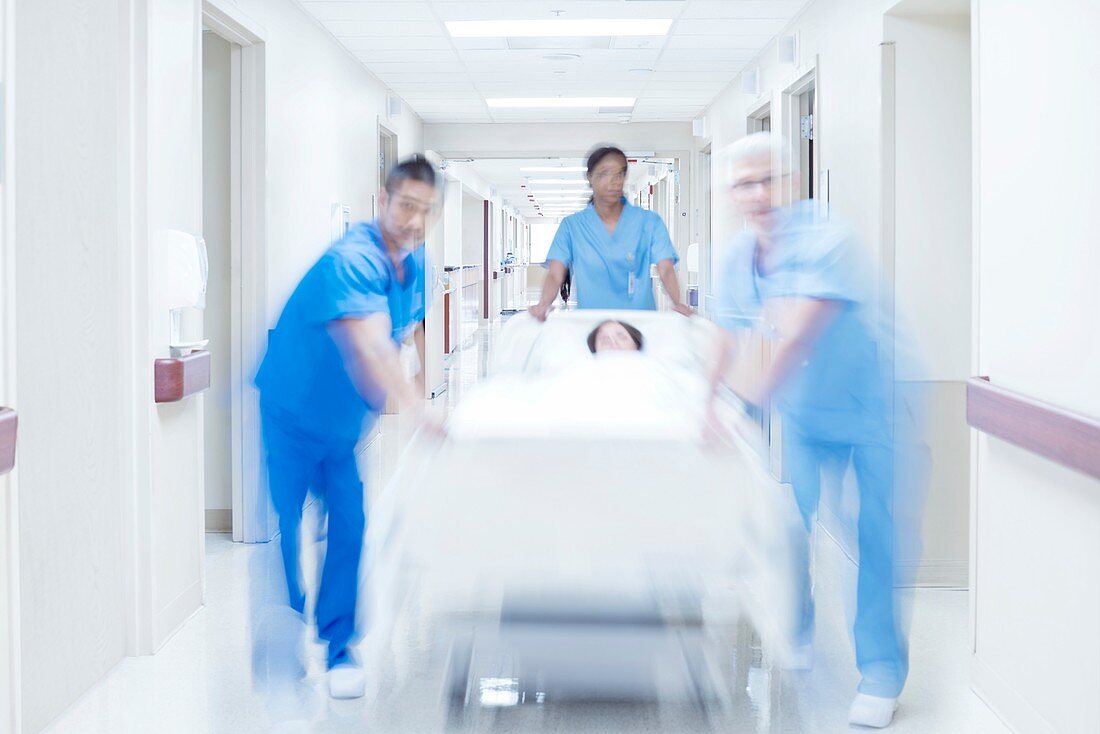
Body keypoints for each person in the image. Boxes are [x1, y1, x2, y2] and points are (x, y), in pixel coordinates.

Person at [707, 132, 923, 729]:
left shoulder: (828, 239)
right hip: (804, 412)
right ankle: (795, 622)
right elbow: (726, 340)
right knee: (787, 523)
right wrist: (708, 406)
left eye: (767, 180)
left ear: (790, 182)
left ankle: (880, 673)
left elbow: (797, 329)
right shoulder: (735, 258)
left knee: (874, 538)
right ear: (732, 194)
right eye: (743, 184)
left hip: (874, 404)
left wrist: (741, 408)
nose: (757, 194)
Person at [253, 155, 442, 701]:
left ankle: (338, 647)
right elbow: (369, 347)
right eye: (406, 205)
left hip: (340, 431)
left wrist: (425, 380)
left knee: (351, 527)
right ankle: (283, 650)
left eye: (424, 211)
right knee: (285, 534)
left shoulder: (414, 264)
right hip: (289, 416)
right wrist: (417, 406)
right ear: (381, 201)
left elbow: (411, 326)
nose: (413, 221)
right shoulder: (350, 259)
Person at [529, 145, 692, 319]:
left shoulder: (649, 222)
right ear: (590, 177)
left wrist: (678, 303)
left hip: (640, 322)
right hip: (592, 324)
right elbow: (555, 273)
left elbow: (666, 269)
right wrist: (543, 304)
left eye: (619, 174)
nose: (614, 181)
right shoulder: (572, 226)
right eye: (604, 173)